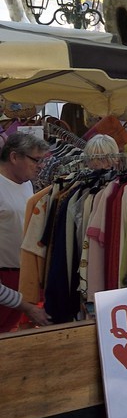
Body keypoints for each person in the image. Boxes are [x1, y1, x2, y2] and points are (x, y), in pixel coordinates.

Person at [0, 134, 51, 330]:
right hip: (6, 278)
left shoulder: (27, 184)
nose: (41, 166)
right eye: (36, 160)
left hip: (23, 276)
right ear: (14, 157)